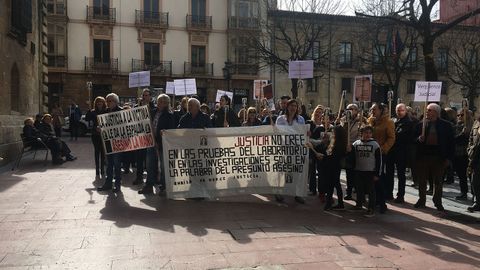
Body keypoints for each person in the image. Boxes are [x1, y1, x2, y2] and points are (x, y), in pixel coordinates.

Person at [413, 103, 455, 211]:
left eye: (429, 110)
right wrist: (419, 139)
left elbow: (451, 143)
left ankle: (437, 201)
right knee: (422, 180)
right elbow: (412, 140)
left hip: (439, 157)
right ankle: (421, 199)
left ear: (436, 112)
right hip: (423, 157)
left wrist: (448, 158)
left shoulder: (446, 126)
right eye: (427, 110)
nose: (427, 112)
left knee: (438, 181)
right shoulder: (421, 125)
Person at [138, 94, 176, 195]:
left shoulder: (169, 115)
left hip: (163, 144)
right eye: (159, 101)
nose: (159, 103)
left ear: (166, 104)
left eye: (162, 102)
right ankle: (149, 186)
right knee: (150, 164)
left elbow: (171, 130)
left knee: (163, 166)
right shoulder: (153, 112)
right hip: (151, 142)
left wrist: (164, 132)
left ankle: (164, 187)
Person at [275, 99, 306, 204]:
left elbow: (302, 134)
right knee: (282, 171)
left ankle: (296, 193)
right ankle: (279, 192)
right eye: (291, 105)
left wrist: (307, 133)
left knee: (296, 172)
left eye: (295, 106)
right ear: (287, 107)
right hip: (283, 149)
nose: (293, 108)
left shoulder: (301, 119)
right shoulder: (280, 119)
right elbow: (276, 133)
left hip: (296, 150)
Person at [367, 103, 395, 213]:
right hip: (370, 153)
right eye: (372, 109)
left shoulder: (388, 122)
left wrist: (383, 149)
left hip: (380, 154)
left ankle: (382, 202)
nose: (373, 111)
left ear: (381, 110)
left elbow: (391, 138)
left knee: (379, 178)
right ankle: (375, 200)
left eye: (375, 109)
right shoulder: (370, 121)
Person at [351, 125, 382, 217]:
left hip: (370, 171)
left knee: (371, 190)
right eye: (365, 133)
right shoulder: (356, 144)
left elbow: (379, 160)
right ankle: (359, 204)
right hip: (359, 170)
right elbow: (351, 156)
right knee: (359, 189)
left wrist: (377, 173)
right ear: (361, 133)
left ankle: (371, 208)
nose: (368, 135)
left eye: (369, 133)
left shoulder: (375, 145)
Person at [385, 103, 414, 203]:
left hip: (401, 151)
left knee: (401, 174)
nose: (399, 112)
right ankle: (388, 192)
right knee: (389, 172)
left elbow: (401, 135)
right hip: (391, 150)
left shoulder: (408, 122)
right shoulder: (393, 120)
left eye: (401, 110)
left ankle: (400, 195)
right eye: (398, 110)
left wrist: (391, 133)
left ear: (405, 111)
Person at [97, 93, 123, 193]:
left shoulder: (121, 111)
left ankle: (117, 185)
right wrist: (100, 128)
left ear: (116, 102)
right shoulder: (105, 111)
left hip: (117, 142)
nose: (108, 103)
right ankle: (108, 183)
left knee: (117, 164)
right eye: (107, 101)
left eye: (110, 101)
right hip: (108, 142)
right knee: (109, 164)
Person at [319, 125, 347, 210]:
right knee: (333, 185)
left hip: (333, 166)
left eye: (333, 132)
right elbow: (328, 152)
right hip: (332, 166)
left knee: (334, 185)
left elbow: (332, 156)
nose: (332, 133)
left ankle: (334, 204)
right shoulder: (334, 142)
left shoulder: (338, 144)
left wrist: (323, 157)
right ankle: (333, 203)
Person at [133, 89, 155, 186]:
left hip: (150, 136)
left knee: (150, 159)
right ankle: (139, 177)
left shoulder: (154, 108)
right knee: (139, 158)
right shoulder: (137, 107)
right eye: (143, 95)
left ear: (150, 97)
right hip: (140, 136)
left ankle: (152, 178)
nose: (145, 97)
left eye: (147, 95)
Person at [341, 103, 362, 200]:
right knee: (348, 172)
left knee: (356, 172)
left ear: (356, 111)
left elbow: (360, 135)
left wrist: (353, 145)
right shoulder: (343, 120)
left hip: (355, 148)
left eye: (352, 109)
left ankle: (358, 191)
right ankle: (348, 191)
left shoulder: (360, 121)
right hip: (345, 147)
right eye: (348, 109)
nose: (349, 110)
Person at [86, 96, 107, 179]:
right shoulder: (93, 112)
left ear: (103, 103)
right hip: (95, 134)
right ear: (96, 103)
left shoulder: (106, 111)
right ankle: (97, 170)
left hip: (103, 134)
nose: (99, 103)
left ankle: (102, 169)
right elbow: (88, 119)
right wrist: (89, 109)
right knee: (96, 151)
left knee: (103, 152)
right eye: (98, 102)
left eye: (101, 102)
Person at [467, 113, 480, 212]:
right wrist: (469, 149)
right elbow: (471, 138)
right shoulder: (476, 123)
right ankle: (477, 202)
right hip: (476, 158)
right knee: (474, 181)